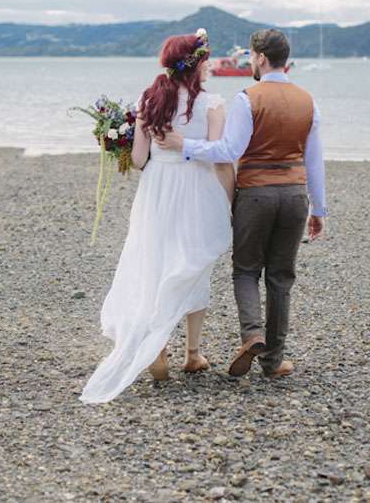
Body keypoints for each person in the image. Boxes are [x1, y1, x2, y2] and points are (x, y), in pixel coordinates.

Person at [157, 28, 326, 378]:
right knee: (281, 277)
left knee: (247, 269)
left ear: (261, 58)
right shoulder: (308, 101)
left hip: (256, 194)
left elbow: (229, 151)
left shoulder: (248, 98)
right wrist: (319, 208)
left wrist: (183, 145)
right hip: (294, 195)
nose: (250, 60)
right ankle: (274, 361)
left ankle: (252, 335)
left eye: (251, 55)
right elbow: (314, 161)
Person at [80, 29, 234, 404]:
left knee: (155, 263)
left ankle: (157, 345)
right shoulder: (212, 104)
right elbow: (216, 155)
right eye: (206, 59)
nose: (210, 65)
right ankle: (192, 354)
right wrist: (231, 200)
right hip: (196, 188)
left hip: (157, 189)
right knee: (193, 264)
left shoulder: (148, 100)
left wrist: (119, 143)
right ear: (195, 65)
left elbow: (136, 161)